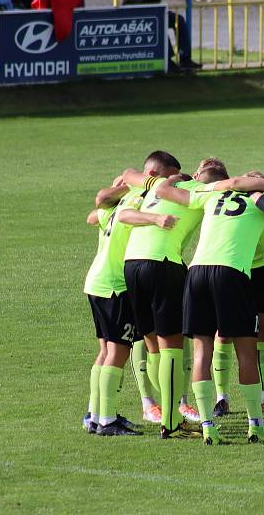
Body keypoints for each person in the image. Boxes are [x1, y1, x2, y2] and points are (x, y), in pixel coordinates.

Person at [153, 169, 264, 445]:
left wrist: (172, 178)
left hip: (197, 273)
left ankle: (208, 427)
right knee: (246, 352)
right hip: (231, 273)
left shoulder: (211, 194)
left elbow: (162, 191)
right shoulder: (258, 202)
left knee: (202, 351)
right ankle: (256, 426)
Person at [118, 153, 230, 439]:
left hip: (132, 263)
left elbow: (129, 172)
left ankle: (165, 413)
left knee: (153, 345)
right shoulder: (200, 191)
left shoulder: (156, 187)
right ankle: (171, 422)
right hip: (163, 264)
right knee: (171, 347)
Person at [82, 157, 168, 436]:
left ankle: (95, 415)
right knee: (118, 351)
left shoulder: (123, 200)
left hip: (97, 281)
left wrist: (120, 189)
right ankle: (106, 421)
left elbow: (93, 215)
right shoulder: (142, 201)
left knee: (106, 350)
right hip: (116, 285)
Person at [211, 171, 264, 419]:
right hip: (233, 269)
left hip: (263, 269)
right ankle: (221, 398)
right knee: (223, 332)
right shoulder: (230, 198)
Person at [122, 0, 201, 72]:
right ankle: (167, 62)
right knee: (161, 23)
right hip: (134, 9)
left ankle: (185, 59)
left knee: (178, 20)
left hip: (153, 9)